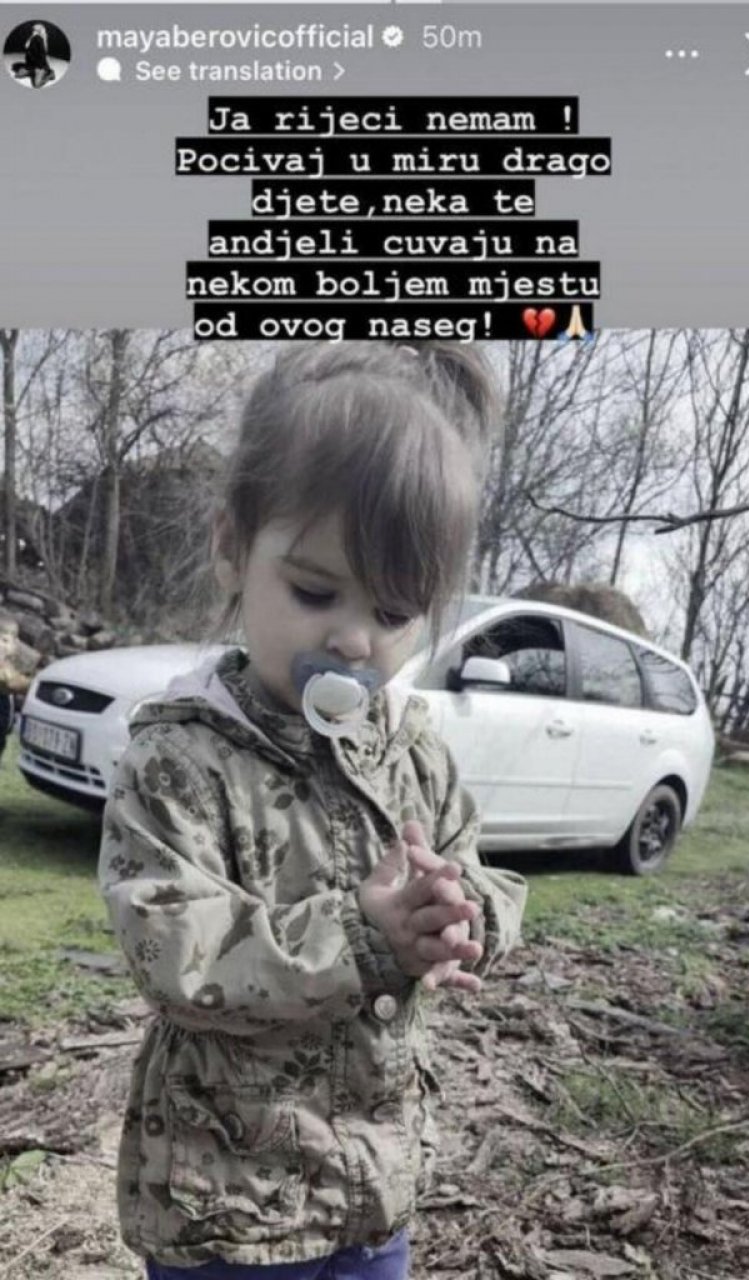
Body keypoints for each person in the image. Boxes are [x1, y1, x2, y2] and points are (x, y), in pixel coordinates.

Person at [98, 342, 527, 1280]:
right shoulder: (180, 759)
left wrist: (464, 918)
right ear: (231, 548)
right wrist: (363, 936)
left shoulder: (412, 751)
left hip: (374, 1189)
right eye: (315, 591)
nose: (354, 639)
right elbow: (176, 954)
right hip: (226, 1203)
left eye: (396, 611)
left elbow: (479, 866)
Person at [0, 616, 29, 761]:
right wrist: (32, 685)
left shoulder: (8, 667)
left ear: (15, 645)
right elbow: (10, 684)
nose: (0, 645)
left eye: (5, 640)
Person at [12, 23, 56, 87]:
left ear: (38, 31)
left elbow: (42, 56)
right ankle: (33, 73)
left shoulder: (39, 39)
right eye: (33, 30)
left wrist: (39, 68)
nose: (32, 31)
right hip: (31, 65)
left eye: (34, 30)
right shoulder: (32, 38)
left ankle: (50, 74)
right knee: (18, 75)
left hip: (39, 66)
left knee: (36, 85)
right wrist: (29, 66)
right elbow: (26, 47)